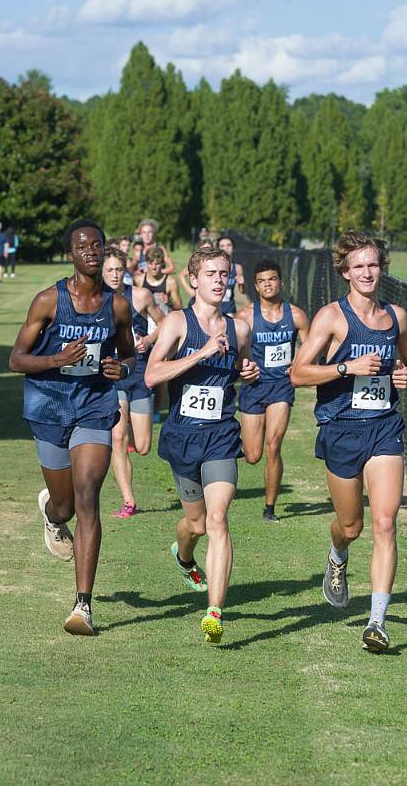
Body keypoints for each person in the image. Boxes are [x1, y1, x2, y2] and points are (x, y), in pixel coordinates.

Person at [288, 231, 407, 653]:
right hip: (342, 429)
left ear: (382, 268)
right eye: (358, 266)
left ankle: (377, 622)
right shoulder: (332, 317)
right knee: (352, 525)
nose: (367, 272)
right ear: (345, 271)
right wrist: (345, 367)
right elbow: (297, 373)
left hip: (383, 426)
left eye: (373, 264)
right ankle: (337, 555)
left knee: (385, 523)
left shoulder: (396, 316)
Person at [8, 219, 137, 636]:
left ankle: (83, 606)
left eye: (97, 245)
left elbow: (130, 355)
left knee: (87, 496)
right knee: (64, 506)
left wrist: (122, 368)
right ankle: (50, 512)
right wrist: (56, 360)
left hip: (94, 405)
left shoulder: (117, 305)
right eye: (82, 246)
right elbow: (16, 360)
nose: (91, 251)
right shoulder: (48, 300)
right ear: (70, 254)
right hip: (47, 405)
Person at [145, 243, 259, 644]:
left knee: (218, 519)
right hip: (182, 437)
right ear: (193, 280)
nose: (219, 281)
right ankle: (183, 555)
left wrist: (248, 371)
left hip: (221, 437)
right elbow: (151, 375)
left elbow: (242, 370)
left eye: (224, 275)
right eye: (211, 274)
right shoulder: (178, 323)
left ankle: (214, 611)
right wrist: (202, 353)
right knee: (195, 524)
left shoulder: (240, 327)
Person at [235, 259, 310, 523]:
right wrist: (243, 368)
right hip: (254, 388)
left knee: (273, 445)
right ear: (256, 286)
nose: (268, 284)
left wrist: (298, 360)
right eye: (263, 280)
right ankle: (226, 445)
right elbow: (235, 353)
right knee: (253, 455)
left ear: (280, 282)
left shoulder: (296, 315)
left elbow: (310, 345)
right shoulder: (245, 317)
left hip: (281, 387)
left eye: (272, 279)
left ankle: (270, 508)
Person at [101, 248, 165, 518]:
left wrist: (148, 341)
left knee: (143, 446)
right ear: (101, 272)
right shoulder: (95, 300)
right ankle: (129, 501)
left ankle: (127, 425)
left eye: (119, 269)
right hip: (111, 376)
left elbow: (166, 323)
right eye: (110, 270)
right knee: (117, 438)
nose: (115, 275)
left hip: (138, 374)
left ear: (125, 269)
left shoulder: (140, 296)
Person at [180, 234, 244, 316]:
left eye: (224, 274)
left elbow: (243, 291)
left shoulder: (237, 267)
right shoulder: (197, 266)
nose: (219, 278)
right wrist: (191, 291)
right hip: (203, 308)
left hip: (227, 308)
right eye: (210, 274)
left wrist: (242, 284)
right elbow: (182, 275)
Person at [138, 246, 181, 314]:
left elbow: (180, 308)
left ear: (162, 263)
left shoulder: (170, 282)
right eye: (150, 264)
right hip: (144, 322)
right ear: (146, 263)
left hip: (164, 321)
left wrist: (169, 302)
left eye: (157, 264)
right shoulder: (139, 280)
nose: (154, 267)